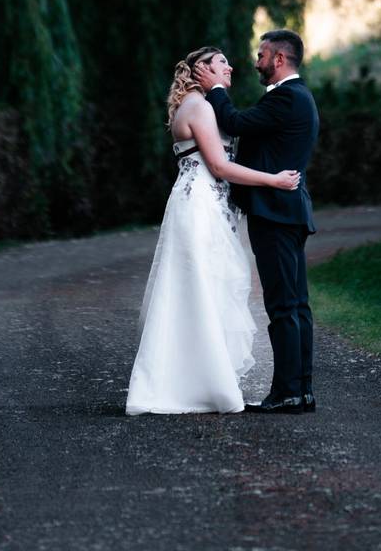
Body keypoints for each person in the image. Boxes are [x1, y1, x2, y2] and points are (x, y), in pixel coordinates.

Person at [125, 46, 301, 416]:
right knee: (199, 292)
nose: (232, 67)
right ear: (201, 68)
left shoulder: (197, 105)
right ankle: (199, 385)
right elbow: (219, 167)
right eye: (222, 62)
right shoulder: (200, 107)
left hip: (206, 207)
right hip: (199, 208)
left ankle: (196, 381)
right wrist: (273, 180)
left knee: (199, 291)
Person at [194, 30, 319, 415]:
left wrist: (215, 88)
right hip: (288, 211)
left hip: (276, 214)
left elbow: (233, 121)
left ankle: (287, 394)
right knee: (296, 305)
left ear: (279, 59)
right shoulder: (298, 98)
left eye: (262, 54)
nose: (255, 61)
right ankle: (300, 392)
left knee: (284, 306)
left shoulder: (286, 98)